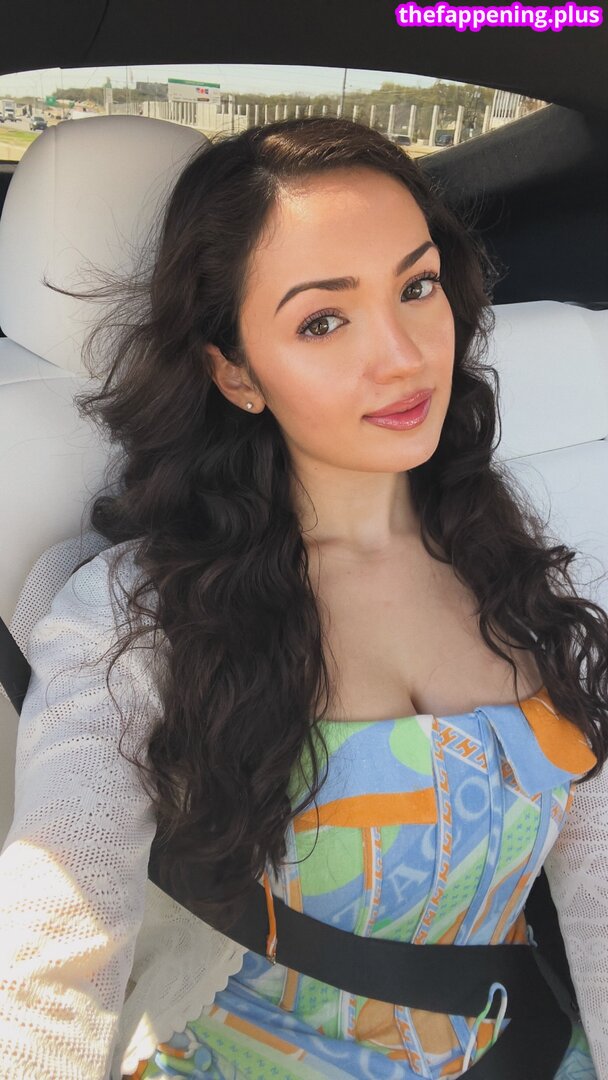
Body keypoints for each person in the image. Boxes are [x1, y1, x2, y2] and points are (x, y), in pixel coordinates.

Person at [0, 116, 606, 1080]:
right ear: (235, 370)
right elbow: (56, 951)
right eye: (323, 321)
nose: (401, 355)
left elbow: (601, 896)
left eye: (416, 287)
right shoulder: (142, 615)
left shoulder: (528, 580)